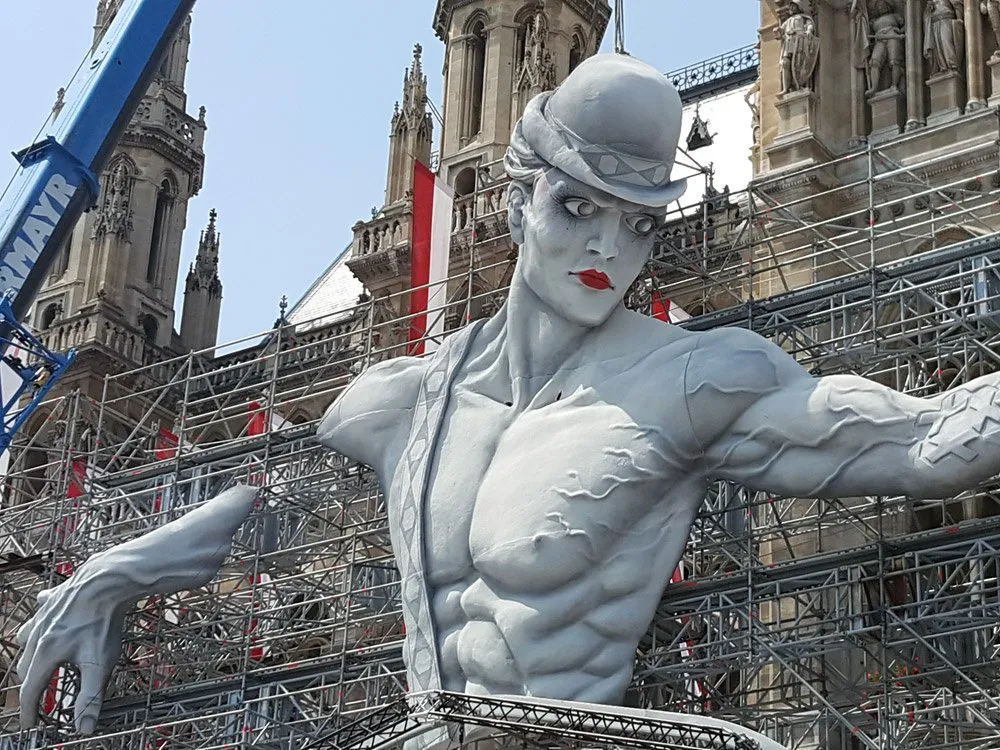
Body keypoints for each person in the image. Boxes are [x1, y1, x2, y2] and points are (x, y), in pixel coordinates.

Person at [16, 54, 1000, 743]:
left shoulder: (695, 378)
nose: (605, 252)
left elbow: (926, 443)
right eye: (577, 207)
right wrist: (112, 573)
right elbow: (264, 506)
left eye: (635, 225)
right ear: (515, 194)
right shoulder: (400, 398)